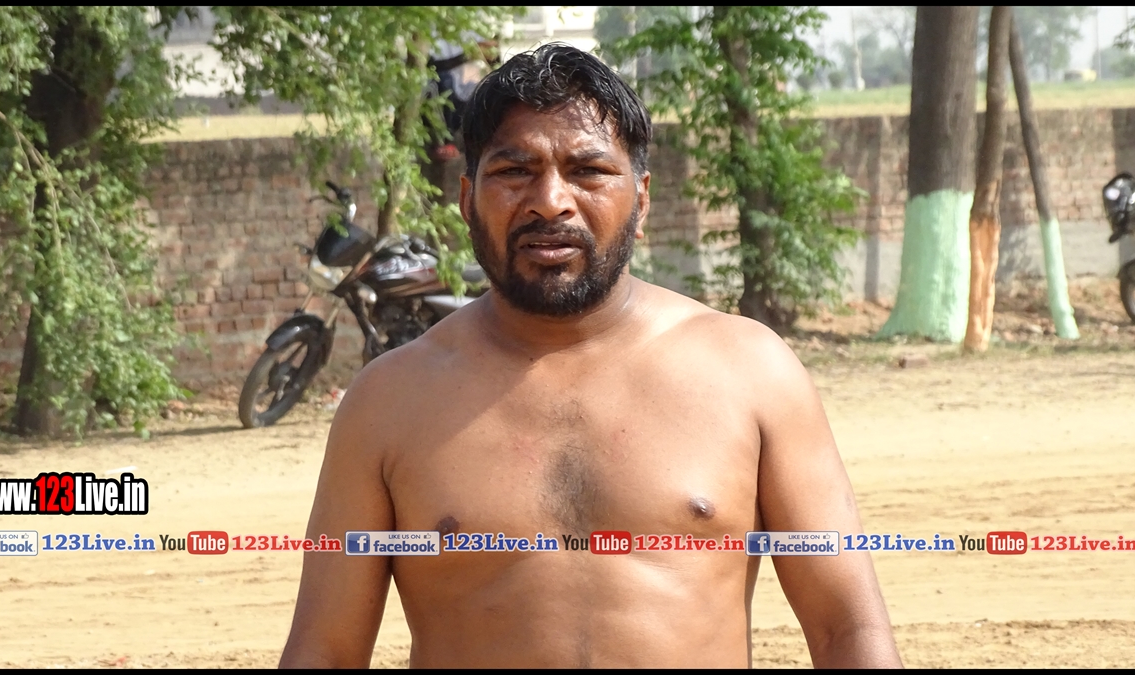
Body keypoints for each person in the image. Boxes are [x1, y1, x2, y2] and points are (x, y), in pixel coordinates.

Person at [279, 43, 903, 669]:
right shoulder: (389, 401)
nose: (550, 201)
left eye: (588, 171)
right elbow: (325, 651)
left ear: (642, 200)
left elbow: (846, 628)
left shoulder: (750, 372)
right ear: (467, 200)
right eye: (514, 171)